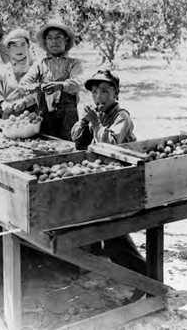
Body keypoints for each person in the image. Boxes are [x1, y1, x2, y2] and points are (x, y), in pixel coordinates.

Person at [71, 70, 146, 284]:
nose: (99, 97)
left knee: (113, 231)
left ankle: (140, 275)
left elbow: (111, 144)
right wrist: (85, 124)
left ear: (116, 93)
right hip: (104, 177)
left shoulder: (122, 116)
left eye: (105, 91)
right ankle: (94, 263)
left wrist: (95, 123)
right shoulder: (98, 114)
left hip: (124, 178)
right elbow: (77, 140)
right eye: (95, 92)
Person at [19, 21, 83, 140]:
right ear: (45, 42)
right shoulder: (40, 64)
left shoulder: (74, 63)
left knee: (69, 148)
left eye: (58, 37)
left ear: (66, 40)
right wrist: (37, 87)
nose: (54, 42)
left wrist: (60, 85)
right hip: (45, 118)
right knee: (46, 146)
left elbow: (78, 83)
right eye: (50, 38)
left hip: (68, 120)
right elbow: (23, 85)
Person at [0, 28, 37, 118]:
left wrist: (26, 101)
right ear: (8, 49)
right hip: (10, 121)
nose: (19, 49)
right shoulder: (3, 72)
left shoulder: (36, 69)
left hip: (33, 119)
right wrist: (3, 104)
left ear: (28, 47)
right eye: (14, 46)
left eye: (23, 45)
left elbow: (42, 92)